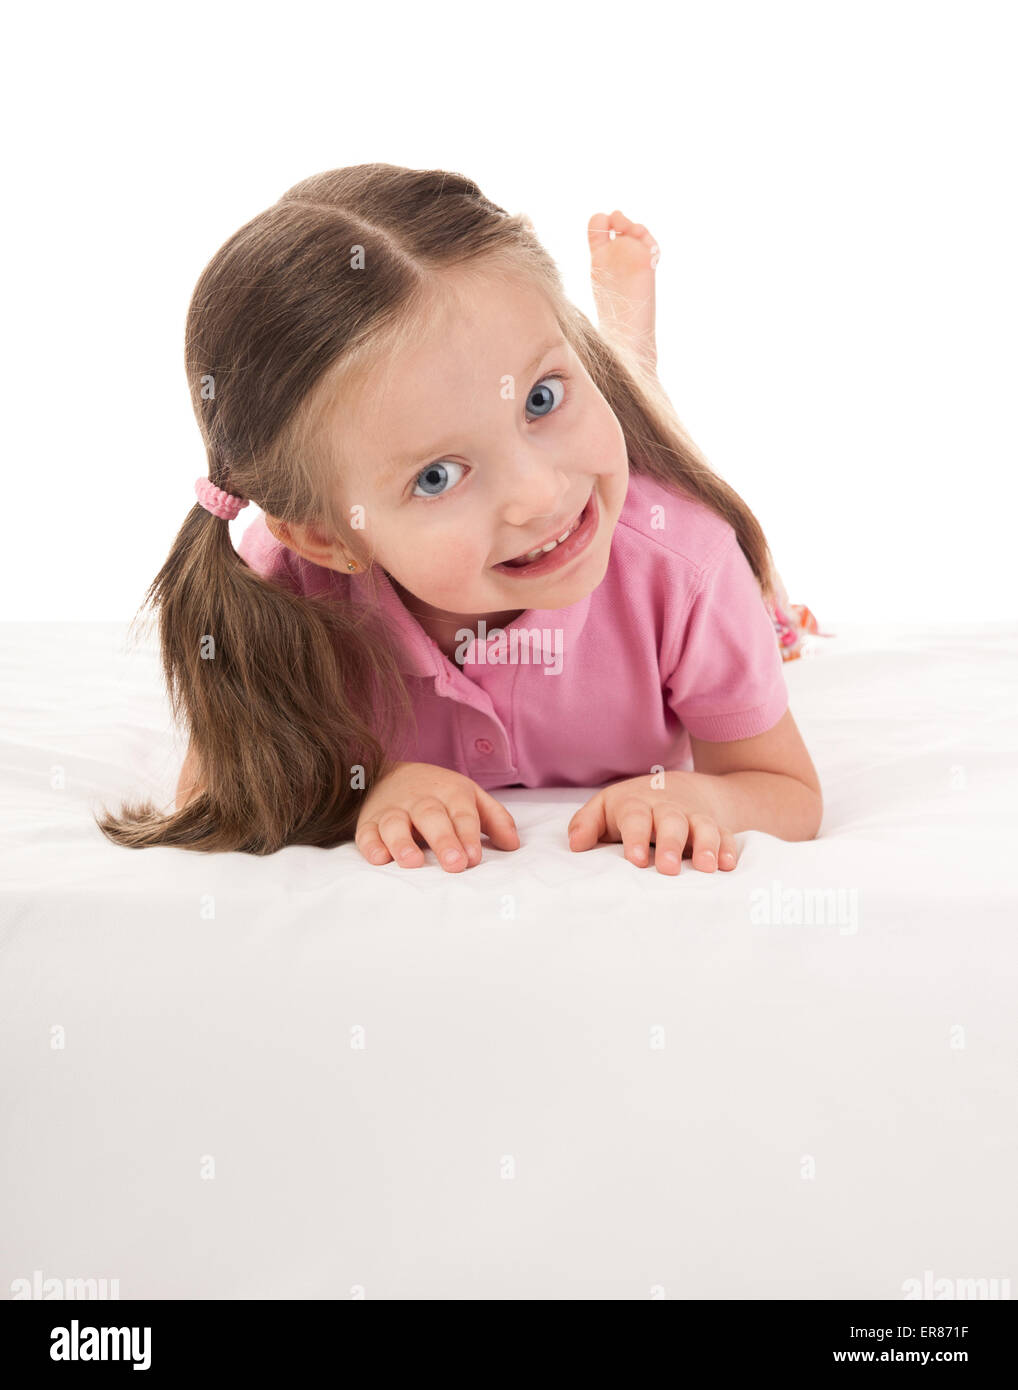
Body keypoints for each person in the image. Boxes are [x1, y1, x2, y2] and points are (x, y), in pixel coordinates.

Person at [97, 165, 823, 874]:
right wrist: (365, 793)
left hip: (665, 540)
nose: (538, 496)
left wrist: (708, 798)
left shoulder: (688, 568)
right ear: (328, 536)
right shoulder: (282, 592)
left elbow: (785, 790)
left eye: (541, 397)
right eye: (437, 476)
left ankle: (626, 348)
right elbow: (214, 789)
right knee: (589, 460)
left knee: (698, 521)